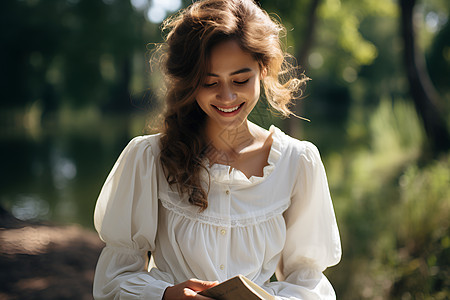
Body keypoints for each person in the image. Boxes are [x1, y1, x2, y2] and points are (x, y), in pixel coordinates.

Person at [93, 0, 342, 299]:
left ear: (262, 70)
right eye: (210, 82)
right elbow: (113, 280)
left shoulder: (297, 162)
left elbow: (309, 282)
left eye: (240, 80)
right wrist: (167, 294)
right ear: (190, 82)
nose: (226, 96)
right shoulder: (149, 158)